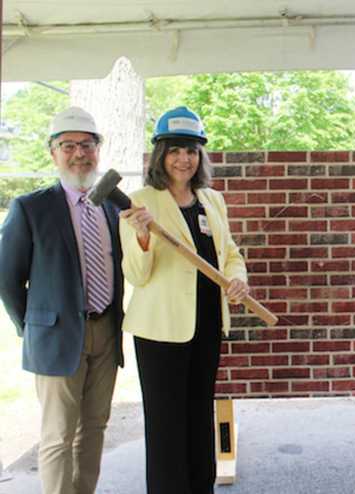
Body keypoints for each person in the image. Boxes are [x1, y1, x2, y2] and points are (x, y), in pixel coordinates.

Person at [119, 106, 249, 493]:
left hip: (207, 323)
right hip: (161, 331)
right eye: (175, 150)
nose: (183, 159)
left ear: (200, 156)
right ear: (161, 154)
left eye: (191, 150)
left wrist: (238, 280)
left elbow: (230, 255)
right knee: (165, 424)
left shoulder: (212, 200)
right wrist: (143, 238)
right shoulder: (141, 202)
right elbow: (137, 274)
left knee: (197, 416)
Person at [0, 107, 124, 494]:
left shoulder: (113, 206)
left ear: (98, 150)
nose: (79, 153)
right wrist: (33, 327)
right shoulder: (31, 207)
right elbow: (7, 278)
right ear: (52, 153)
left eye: (87, 144)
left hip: (106, 331)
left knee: (95, 428)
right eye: (67, 145)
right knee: (57, 435)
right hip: (56, 338)